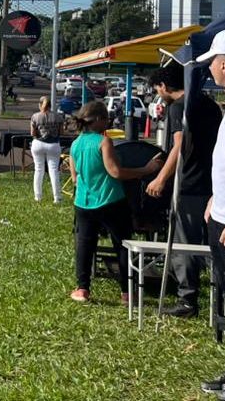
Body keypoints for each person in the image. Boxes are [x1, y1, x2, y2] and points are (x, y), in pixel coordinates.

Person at [144, 62, 222, 317]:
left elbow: (178, 145)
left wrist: (161, 179)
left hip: (189, 183)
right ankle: (221, 294)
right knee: (212, 242)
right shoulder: (209, 104)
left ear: (164, 86)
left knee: (184, 242)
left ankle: (187, 299)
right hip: (213, 183)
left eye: (158, 89)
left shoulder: (179, 107)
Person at [67, 100, 159, 303]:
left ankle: (82, 289)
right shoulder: (103, 142)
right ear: (99, 120)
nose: (108, 123)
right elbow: (115, 172)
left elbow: (74, 177)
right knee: (122, 244)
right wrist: (146, 170)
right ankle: (127, 292)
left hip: (83, 201)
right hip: (110, 200)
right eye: (107, 119)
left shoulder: (75, 144)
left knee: (85, 244)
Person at [197, 30, 225, 398]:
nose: (209, 68)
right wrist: (215, 197)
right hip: (219, 213)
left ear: (224, 64)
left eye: (211, 62)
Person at [30, 96, 63, 203]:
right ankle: (57, 198)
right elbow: (61, 133)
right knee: (54, 171)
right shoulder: (58, 117)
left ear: (40, 105)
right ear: (50, 105)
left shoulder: (35, 116)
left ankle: (37, 197)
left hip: (38, 144)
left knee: (38, 170)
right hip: (53, 145)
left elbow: (33, 133)